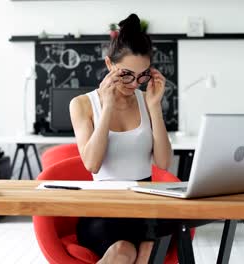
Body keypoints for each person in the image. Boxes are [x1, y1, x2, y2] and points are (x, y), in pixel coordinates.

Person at [69, 13, 172, 264]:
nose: (134, 84)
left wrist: (155, 107)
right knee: (123, 251)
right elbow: (92, 163)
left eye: (142, 75)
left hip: (146, 207)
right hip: (104, 207)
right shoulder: (82, 105)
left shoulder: (147, 100)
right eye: (126, 74)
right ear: (108, 65)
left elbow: (163, 163)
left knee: (149, 252)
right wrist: (107, 108)